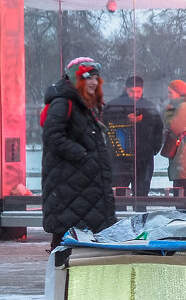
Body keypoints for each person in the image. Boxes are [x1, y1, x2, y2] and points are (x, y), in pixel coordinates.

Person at [41, 57, 117, 249]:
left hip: (82, 184)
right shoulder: (63, 102)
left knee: (76, 235)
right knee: (66, 235)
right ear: (76, 79)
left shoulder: (85, 104)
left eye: (95, 78)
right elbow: (53, 135)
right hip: (69, 184)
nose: (93, 82)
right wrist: (83, 156)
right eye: (87, 78)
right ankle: (60, 274)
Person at [102, 75, 163, 207]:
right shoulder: (113, 106)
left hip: (142, 158)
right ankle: (120, 223)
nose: (135, 95)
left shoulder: (148, 107)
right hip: (120, 159)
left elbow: (158, 129)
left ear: (142, 90)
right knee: (119, 195)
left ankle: (139, 220)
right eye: (132, 91)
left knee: (141, 195)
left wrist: (153, 149)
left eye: (138, 91)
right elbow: (105, 125)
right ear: (126, 89)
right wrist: (125, 121)